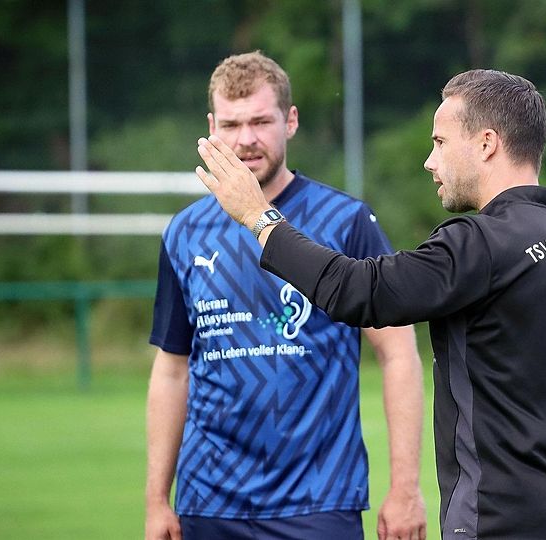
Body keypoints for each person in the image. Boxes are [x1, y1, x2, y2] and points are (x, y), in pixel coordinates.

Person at [195, 68, 546, 540]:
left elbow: (358, 291)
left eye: (440, 142)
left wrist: (260, 218)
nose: (430, 160)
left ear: (486, 144)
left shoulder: (479, 245)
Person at [145, 51, 427, 540]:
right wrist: (156, 501)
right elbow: (172, 370)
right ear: (211, 127)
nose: (246, 139)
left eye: (261, 121)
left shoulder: (345, 221)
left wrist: (405, 488)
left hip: (319, 501)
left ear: (290, 121)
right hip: (209, 502)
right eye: (231, 124)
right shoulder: (185, 233)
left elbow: (399, 352)